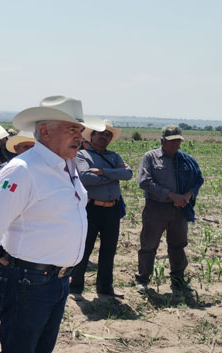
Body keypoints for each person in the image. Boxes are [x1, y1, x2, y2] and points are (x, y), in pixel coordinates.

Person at [0, 95, 105, 353]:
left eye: (80, 129)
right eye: (72, 129)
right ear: (44, 131)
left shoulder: (68, 164)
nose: (80, 136)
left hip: (58, 280)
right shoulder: (24, 169)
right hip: (27, 283)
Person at [135, 125, 204, 295]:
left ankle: (178, 280)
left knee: (178, 245)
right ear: (162, 141)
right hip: (156, 208)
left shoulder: (187, 160)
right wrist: (171, 195)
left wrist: (187, 196)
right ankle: (143, 280)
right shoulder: (151, 157)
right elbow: (145, 181)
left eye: (178, 142)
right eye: (171, 142)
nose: (175, 145)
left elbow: (198, 180)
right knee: (149, 245)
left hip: (180, 209)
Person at [69, 119, 132, 301]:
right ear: (92, 135)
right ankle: (75, 288)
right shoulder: (82, 156)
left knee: (109, 250)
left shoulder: (114, 156)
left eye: (108, 135)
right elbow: (86, 177)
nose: (104, 137)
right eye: (101, 134)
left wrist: (103, 172)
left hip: (112, 209)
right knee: (85, 248)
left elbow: (128, 174)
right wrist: (114, 175)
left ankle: (105, 289)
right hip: (92, 208)